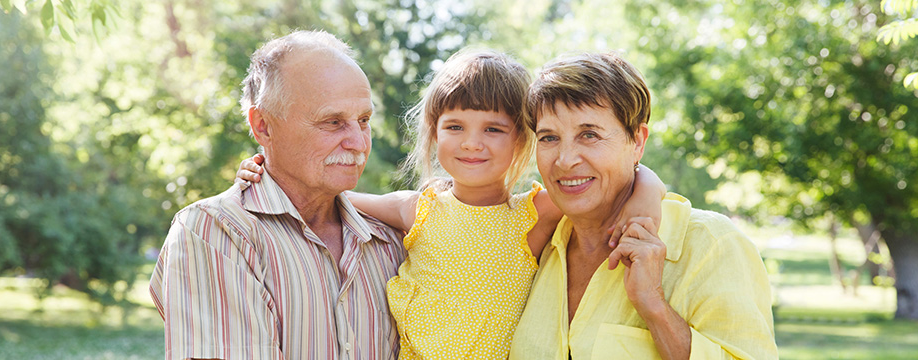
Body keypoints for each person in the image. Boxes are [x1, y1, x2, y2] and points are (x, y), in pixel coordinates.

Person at [235, 49, 667, 359]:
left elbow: (632, 176)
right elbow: (326, 192)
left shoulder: (534, 214)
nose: (472, 144)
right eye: (455, 126)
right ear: (434, 133)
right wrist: (262, 170)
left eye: (493, 129)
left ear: (521, 138)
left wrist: (642, 204)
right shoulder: (417, 209)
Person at [148, 30, 407, 359]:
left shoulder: (392, 240)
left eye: (364, 120)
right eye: (332, 122)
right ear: (263, 126)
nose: (358, 142)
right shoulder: (214, 232)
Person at [509, 53, 778, 359]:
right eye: (549, 138)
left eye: (589, 134)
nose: (566, 159)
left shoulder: (711, 244)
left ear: (637, 141)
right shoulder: (532, 243)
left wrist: (654, 305)